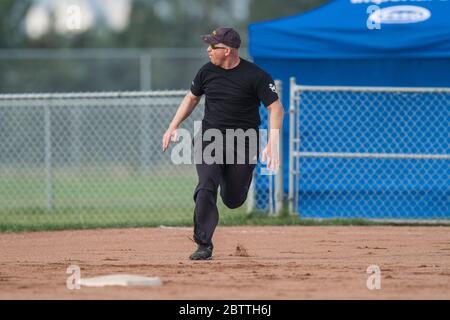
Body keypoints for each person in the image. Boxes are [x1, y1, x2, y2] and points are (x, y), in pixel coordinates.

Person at [162, 27, 284, 260]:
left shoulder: (256, 75)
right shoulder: (206, 72)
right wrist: (172, 126)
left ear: (227, 51)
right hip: (210, 139)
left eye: (213, 46)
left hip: (244, 143)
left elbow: (275, 108)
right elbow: (192, 98)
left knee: (233, 200)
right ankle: (203, 244)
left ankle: (234, 189)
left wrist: (273, 141)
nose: (208, 50)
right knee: (206, 186)